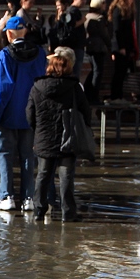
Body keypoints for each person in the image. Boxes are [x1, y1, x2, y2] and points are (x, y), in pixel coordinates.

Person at [0, 16, 47, 211]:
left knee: (5, 154)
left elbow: (2, 88)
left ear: (9, 33)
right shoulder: (40, 53)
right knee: (28, 156)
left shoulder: (5, 54)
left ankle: (6, 195)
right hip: (32, 112)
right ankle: (28, 197)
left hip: (9, 112)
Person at [27, 47, 90, 222]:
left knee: (43, 174)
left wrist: (37, 130)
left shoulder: (37, 87)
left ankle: (39, 210)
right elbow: (85, 112)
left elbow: (29, 113)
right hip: (68, 136)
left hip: (44, 136)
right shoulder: (74, 87)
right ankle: (68, 212)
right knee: (66, 177)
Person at [108, 0, 138, 103]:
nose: (131, 1)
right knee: (118, 72)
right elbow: (117, 30)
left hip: (128, 45)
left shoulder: (129, 12)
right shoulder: (118, 11)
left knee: (124, 72)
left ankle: (120, 95)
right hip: (120, 46)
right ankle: (115, 95)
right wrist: (121, 47)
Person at [84, 0, 111, 104]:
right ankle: (93, 96)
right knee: (98, 71)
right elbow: (105, 35)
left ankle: (87, 92)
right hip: (98, 48)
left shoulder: (87, 16)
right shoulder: (99, 18)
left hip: (89, 47)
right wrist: (109, 46)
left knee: (94, 70)